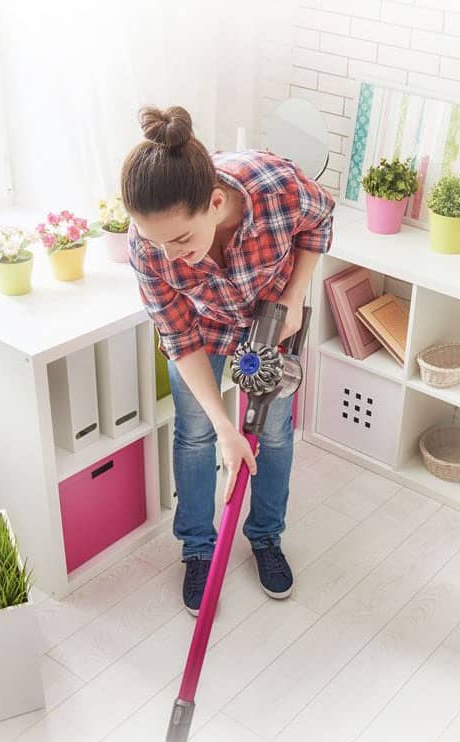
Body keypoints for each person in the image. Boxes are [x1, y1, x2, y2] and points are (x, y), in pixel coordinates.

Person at [120, 105, 334, 614]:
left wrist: (295, 295)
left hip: (269, 325)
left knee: (274, 434)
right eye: (154, 242)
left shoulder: (275, 187)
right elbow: (178, 337)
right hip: (202, 332)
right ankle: (199, 549)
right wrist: (225, 427)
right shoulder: (148, 250)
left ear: (216, 203)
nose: (168, 257)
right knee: (196, 432)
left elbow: (319, 220)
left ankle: (265, 536)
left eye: (180, 239)